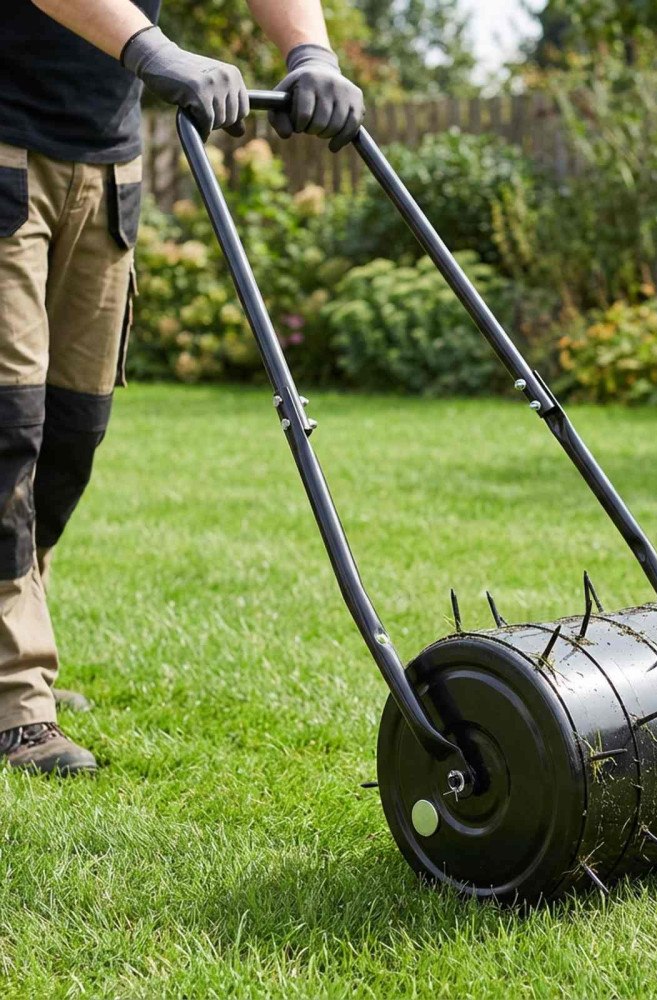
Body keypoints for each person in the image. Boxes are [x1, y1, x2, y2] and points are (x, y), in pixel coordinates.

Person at [0, 0, 364, 774]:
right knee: (6, 430)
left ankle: (12, 645)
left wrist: (311, 52)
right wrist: (150, 47)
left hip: (103, 159)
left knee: (72, 433)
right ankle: (14, 692)